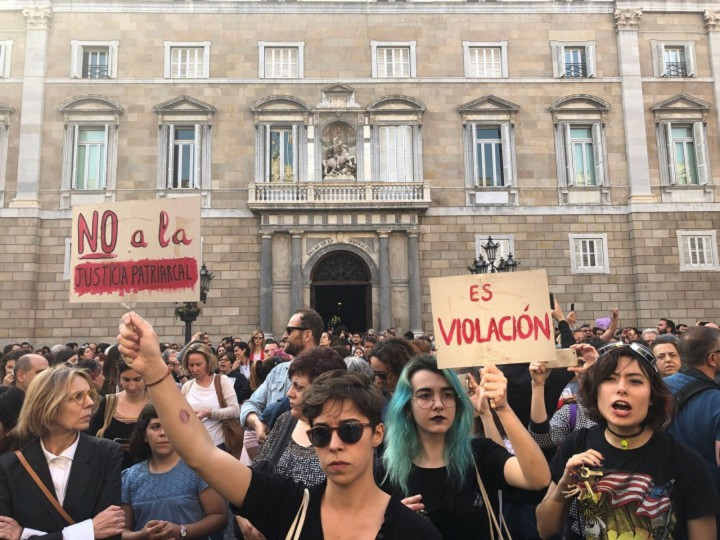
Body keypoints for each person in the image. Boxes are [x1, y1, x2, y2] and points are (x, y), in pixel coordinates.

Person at [117, 312, 442, 540]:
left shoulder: (413, 530)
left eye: (350, 430)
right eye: (320, 434)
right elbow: (202, 454)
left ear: (378, 435)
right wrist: (156, 372)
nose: (335, 444)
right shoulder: (289, 506)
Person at [536, 342, 720, 539]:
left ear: (652, 395)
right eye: (610, 379)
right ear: (597, 391)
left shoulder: (685, 460)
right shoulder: (576, 445)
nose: (621, 388)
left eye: (635, 381)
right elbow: (545, 529)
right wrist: (565, 484)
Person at [378, 355, 550, 539]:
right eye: (425, 395)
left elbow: (538, 479)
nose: (438, 405)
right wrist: (390, 525)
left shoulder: (479, 453)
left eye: (447, 394)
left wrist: (503, 408)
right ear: (407, 406)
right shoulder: (386, 471)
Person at [0, 365, 125, 538]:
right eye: (78, 397)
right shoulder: (9, 467)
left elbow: (111, 531)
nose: (89, 403)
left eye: (89, 395)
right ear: (48, 404)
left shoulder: (107, 453)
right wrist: (88, 531)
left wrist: (25, 535)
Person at [121, 403, 226, 539]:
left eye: (168, 426)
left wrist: (183, 531)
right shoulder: (130, 477)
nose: (163, 433)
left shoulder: (196, 469)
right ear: (144, 435)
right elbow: (122, 531)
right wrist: (142, 536)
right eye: (155, 426)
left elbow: (219, 516)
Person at [664, 326, 720, 521]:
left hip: (662, 500)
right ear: (712, 358)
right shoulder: (717, 401)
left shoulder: (655, 390)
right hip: (709, 505)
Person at [89, 359, 151, 469]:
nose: (132, 386)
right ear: (120, 379)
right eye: (126, 380)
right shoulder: (109, 402)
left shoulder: (156, 404)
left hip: (147, 469)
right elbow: (90, 436)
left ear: (145, 378)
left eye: (137, 379)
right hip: (111, 468)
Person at [181, 343, 240, 450]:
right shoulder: (187, 386)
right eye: (191, 365)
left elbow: (235, 410)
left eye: (199, 364)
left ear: (208, 362)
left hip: (218, 445)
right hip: (191, 445)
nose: (194, 369)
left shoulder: (222, 381)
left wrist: (209, 413)